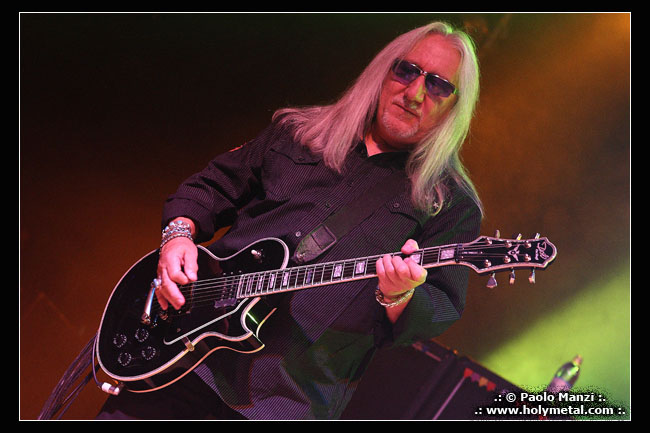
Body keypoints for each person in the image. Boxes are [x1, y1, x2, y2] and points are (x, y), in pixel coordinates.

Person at [98, 20, 483, 420]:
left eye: (438, 85)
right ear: (383, 72)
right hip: (181, 358)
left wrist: (399, 296)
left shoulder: (450, 204)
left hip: (280, 401)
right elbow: (212, 186)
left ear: (455, 106)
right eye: (407, 70)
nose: (415, 93)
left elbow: (441, 304)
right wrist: (177, 236)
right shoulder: (302, 131)